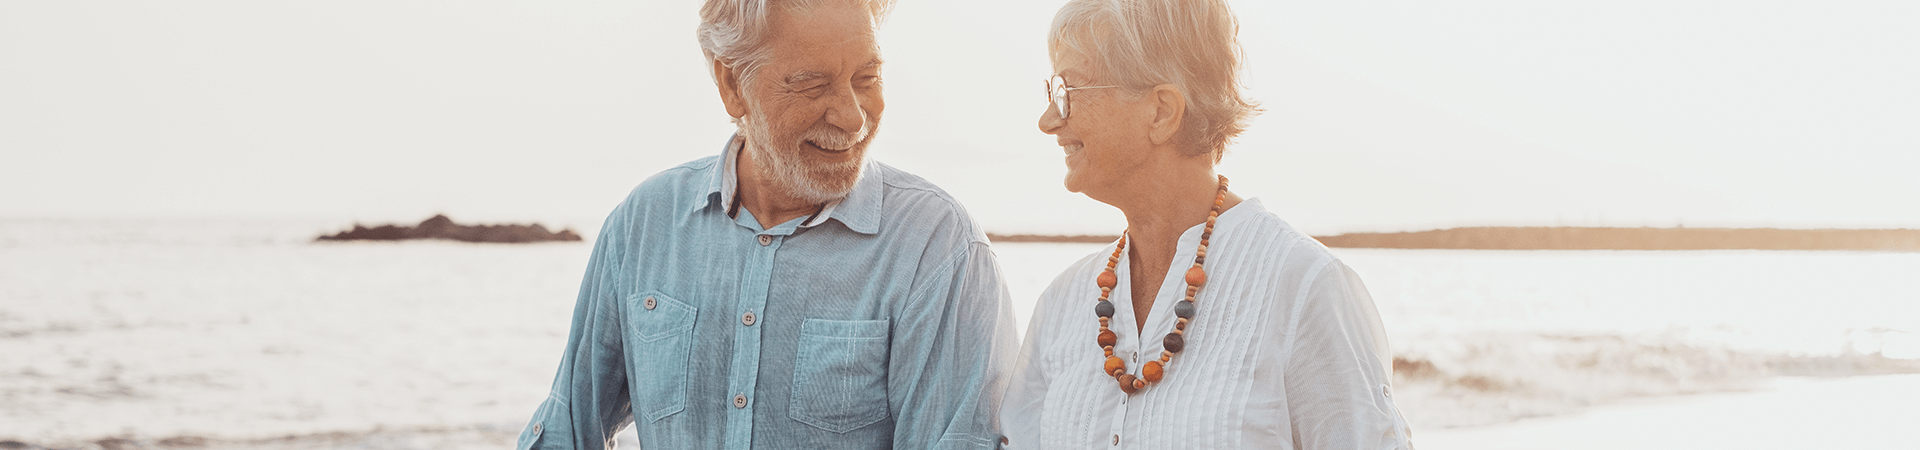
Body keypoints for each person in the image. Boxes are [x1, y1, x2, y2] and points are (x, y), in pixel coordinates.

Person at [515, 0, 1019, 448]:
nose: (852, 116)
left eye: (867, 78)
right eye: (812, 84)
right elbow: (567, 430)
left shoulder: (939, 247)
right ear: (732, 85)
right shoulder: (643, 224)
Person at [1000, 0, 1413, 448]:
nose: (1048, 121)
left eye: (1068, 91)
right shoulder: (1062, 304)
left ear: (1161, 112)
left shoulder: (1303, 288)